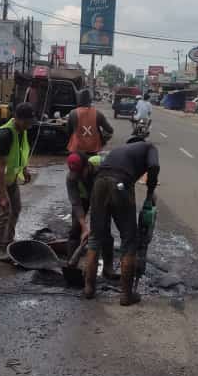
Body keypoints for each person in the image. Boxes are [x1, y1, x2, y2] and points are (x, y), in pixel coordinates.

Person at [84, 137, 160, 306]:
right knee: (129, 240)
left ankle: (89, 288)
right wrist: (150, 191)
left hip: (100, 183)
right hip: (120, 184)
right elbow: (154, 166)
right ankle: (126, 295)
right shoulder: (150, 146)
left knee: (95, 237)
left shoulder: (121, 151)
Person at [0, 103, 35, 261]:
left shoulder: (22, 130)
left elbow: (21, 151)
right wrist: (2, 194)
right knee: (5, 210)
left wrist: (24, 169)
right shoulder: (5, 134)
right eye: (28, 121)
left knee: (16, 208)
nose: (30, 124)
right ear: (18, 119)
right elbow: (0, 166)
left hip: (11, 176)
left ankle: (8, 241)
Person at [66, 152, 116, 280]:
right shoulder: (71, 178)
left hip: (103, 196)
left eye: (80, 173)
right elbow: (76, 203)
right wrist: (84, 227)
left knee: (104, 229)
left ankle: (108, 268)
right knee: (75, 229)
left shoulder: (102, 167)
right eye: (74, 174)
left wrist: (93, 226)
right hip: (84, 197)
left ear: (87, 166)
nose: (77, 177)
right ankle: (71, 265)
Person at [66, 89, 113, 155]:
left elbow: (68, 131)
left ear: (79, 99)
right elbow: (110, 130)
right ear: (90, 100)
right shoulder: (98, 113)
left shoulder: (73, 113)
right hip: (94, 148)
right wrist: (102, 139)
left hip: (77, 148)